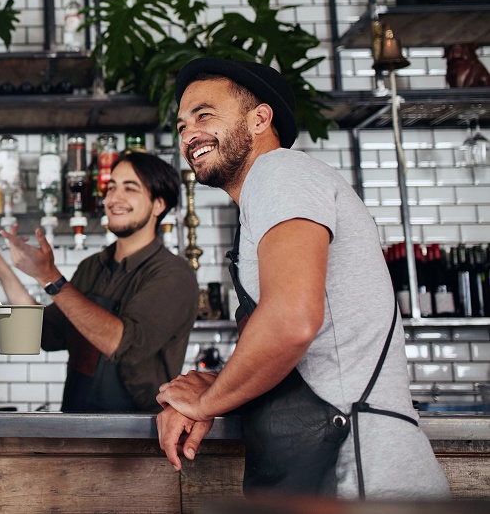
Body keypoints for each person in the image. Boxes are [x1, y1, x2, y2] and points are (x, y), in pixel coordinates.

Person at [157, 56, 449, 499]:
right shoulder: (264, 199)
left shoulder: (279, 171)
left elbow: (291, 321)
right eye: (181, 126)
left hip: (361, 474)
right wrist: (217, 385)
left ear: (260, 119)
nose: (188, 134)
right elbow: (299, 351)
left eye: (204, 115)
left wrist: (204, 402)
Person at [0, 152, 198, 412]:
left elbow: (121, 343)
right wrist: (2, 269)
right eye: (111, 187)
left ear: (159, 205)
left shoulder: (172, 274)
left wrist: (49, 277)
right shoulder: (92, 266)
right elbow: (43, 334)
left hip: (136, 436)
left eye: (130, 188)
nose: (113, 198)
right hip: (78, 425)